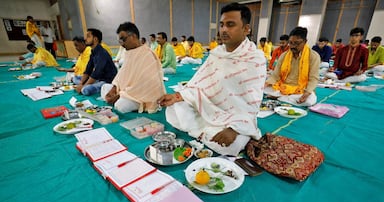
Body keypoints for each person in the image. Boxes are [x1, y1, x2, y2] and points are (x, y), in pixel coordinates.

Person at [158, 3, 266, 156]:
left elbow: (252, 102)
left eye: (230, 25)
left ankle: (205, 132)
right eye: (221, 25)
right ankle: (206, 132)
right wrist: (178, 96)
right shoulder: (216, 54)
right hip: (209, 108)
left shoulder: (255, 58)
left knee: (233, 145)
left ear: (246, 29)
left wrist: (235, 128)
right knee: (176, 107)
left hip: (234, 118)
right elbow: (198, 85)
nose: (224, 30)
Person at [101, 22, 165, 113]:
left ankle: (134, 103)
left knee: (120, 105)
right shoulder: (129, 53)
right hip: (126, 91)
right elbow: (122, 75)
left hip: (141, 95)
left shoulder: (147, 55)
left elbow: (144, 84)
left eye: (123, 39)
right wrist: (114, 89)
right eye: (120, 41)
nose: (122, 44)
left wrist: (120, 95)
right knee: (104, 87)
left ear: (133, 36)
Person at [264, 27, 320, 107]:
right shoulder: (284, 55)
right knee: (264, 88)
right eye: (290, 43)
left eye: (296, 43)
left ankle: (280, 97)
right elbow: (275, 75)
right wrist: (265, 84)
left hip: (301, 90)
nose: (292, 46)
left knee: (310, 101)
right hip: (283, 87)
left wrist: (307, 93)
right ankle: (283, 97)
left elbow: (313, 78)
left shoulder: (313, 56)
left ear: (305, 42)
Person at [76, 28, 117, 95]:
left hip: (107, 81)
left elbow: (96, 73)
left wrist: (83, 86)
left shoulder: (102, 53)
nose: (85, 39)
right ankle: (85, 85)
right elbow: (88, 70)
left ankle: (102, 87)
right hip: (98, 79)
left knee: (85, 90)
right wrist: (81, 83)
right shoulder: (93, 52)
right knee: (76, 78)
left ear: (95, 39)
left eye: (88, 36)